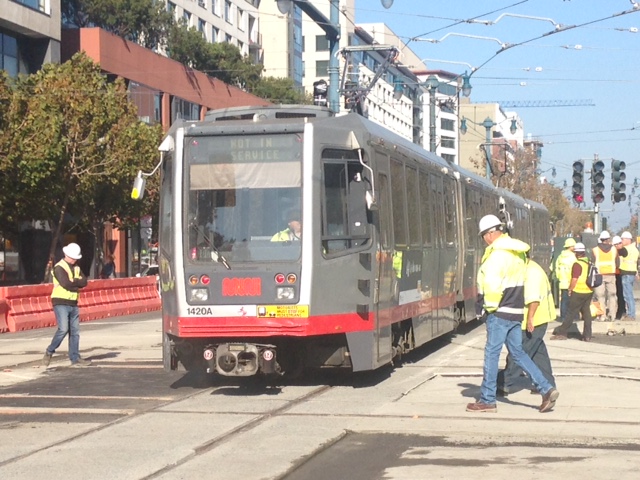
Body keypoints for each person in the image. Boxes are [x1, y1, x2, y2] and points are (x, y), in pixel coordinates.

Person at [466, 214, 559, 414]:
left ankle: (487, 399)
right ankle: (546, 388)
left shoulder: (497, 255)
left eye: (484, 235)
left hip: (499, 312)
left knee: (491, 354)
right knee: (518, 353)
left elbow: (492, 286)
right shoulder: (517, 253)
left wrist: (487, 308)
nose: (484, 239)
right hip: (516, 311)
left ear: (491, 234)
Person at [497, 258, 557, 396]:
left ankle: (504, 383)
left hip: (534, 320)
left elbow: (533, 298)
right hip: (537, 319)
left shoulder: (531, 272)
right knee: (537, 353)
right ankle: (547, 384)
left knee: (519, 353)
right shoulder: (529, 268)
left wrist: (530, 318)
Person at [42, 243, 91, 367]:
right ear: (66, 255)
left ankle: (75, 357)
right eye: (72, 257)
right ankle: (49, 351)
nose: (74, 259)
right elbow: (65, 283)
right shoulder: (59, 267)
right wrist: (76, 284)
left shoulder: (77, 268)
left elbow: (84, 282)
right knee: (63, 329)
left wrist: (73, 283)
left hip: (73, 303)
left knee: (75, 332)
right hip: (60, 302)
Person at [551, 242, 594, 341]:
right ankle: (587, 335)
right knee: (586, 313)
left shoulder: (577, 264)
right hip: (588, 291)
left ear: (576, 253)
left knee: (570, 312)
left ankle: (562, 333)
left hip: (578, 291)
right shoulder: (589, 262)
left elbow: (574, 279)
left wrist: (570, 289)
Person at [592, 230, 619, 321]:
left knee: (600, 296)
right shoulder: (614, 249)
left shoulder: (595, 249)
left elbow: (592, 262)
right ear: (608, 239)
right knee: (612, 295)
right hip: (611, 274)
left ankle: (602, 316)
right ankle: (612, 315)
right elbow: (617, 263)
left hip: (599, 275)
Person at [551, 238, 577, 325]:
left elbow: (554, 268)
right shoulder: (573, 257)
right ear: (571, 247)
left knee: (564, 300)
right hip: (571, 282)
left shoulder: (560, 257)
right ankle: (573, 317)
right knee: (573, 300)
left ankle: (563, 317)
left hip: (562, 282)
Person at [619, 231, 639, 320]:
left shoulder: (625, 249)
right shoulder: (635, 249)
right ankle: (631, 313)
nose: (621, 241)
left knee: (627, 295)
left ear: (628, 240)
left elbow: (618, 252)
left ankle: (631, 315)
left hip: (626, 273)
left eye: (622, 239)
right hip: (631, 273)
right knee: (629, 294)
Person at [612, 235, 628, 320]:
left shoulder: (621, 251)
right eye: (616, 244)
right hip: (618, 273)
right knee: (620, 294)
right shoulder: (618, 251)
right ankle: (622, 310)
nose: (618, 245)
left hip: (620, 274)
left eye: (619, 243)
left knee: (620, 294)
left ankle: (621, 311)